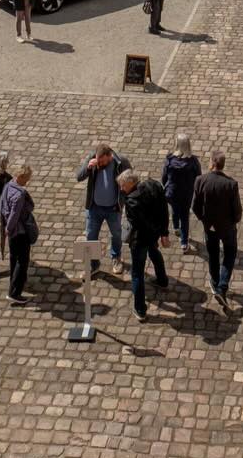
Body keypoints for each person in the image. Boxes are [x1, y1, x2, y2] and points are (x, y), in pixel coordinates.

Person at [192, 153, 242, 311]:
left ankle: (214, 282)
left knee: (213, 254)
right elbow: (237, 209)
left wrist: (205, 220)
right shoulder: (231, 184)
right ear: (222, 165)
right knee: (230, 253)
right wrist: (234, 222)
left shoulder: (201, 180)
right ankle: (222, 286)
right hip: (227, 227)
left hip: (210, 227)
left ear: (212, 163)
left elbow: (195, 206)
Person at [120, 171, 170, 321]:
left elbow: (136, 224)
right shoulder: (154, 186)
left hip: (140, 240)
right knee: (154, 253)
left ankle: (140, 309)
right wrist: (163, 232)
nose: (121, 189)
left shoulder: (131, 201)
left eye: (122, 186)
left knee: (137, 274)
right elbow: (164, 211)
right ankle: (162, 280)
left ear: (130, 184)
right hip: (154, 234)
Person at [77, 145, 127, 268]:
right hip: (95, 207)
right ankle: (94, 264)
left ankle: (116, 257)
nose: (100, 164)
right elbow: (79, 177)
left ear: (110, 156)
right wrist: (89, 168)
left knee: (116, 235)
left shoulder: (121, 162)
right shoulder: (93, 158)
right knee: (90, 235)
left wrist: (124, 201)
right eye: (99, 161)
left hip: (113, 208)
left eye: (103, 162)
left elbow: (131, 181)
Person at [0, 165, 36, 304]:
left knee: (14, 257)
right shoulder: (19, 195)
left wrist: (6, 228)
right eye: (26, 179)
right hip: (19, 231)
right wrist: (9, 228)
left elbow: (2, 205)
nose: (27, 182)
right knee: (23, 260)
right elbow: (15, 214)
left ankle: (14, 282)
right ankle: (14, 292)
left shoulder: (8, 185)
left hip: (12, 232)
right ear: (20, 177)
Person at [161, 134, 202, 253]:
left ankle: (175, 227)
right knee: (184, 217)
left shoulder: (169, 159)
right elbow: (198, 177)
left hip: (172, 193)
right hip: (186, 194)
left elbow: (164, 177)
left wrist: (166, 186)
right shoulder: (193, 161)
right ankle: (184, 243)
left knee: (174, 209)